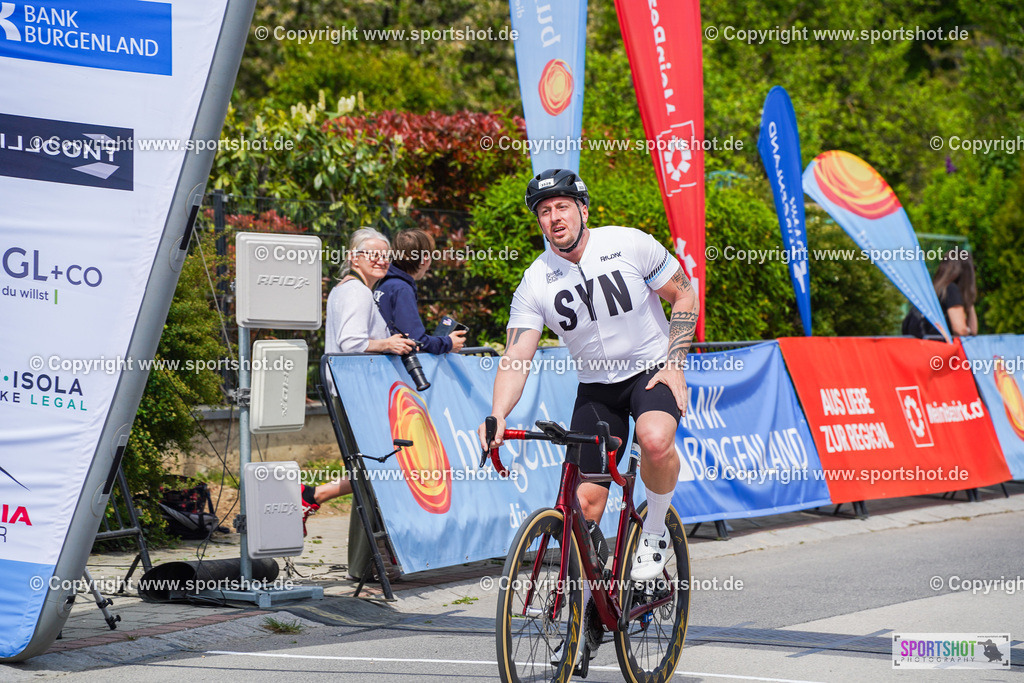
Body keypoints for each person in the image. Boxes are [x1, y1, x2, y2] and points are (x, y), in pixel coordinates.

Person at [476, 169, 698, 583]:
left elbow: (684, 292)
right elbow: (516, 354)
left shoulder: (629, 243)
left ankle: (653, 532)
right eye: (544, 211)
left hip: (650, 371)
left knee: (653, 440)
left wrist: (675, 362)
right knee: (584, 509)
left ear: (583, 209)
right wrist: (498, 414)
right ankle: (593, 607)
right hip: (596, 389)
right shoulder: (535, 280)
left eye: (562, 206)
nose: (554, 217)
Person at [303, 228, 417, 534]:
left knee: (376, 464)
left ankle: (315, 496)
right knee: (381, 465)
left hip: (347, 390)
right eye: (373, 254)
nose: (381, 261)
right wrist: (388, 344)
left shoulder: (345, 289)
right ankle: (314, 495)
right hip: (352, 393)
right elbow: (351, 341)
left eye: (386, 256)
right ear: (354, 257)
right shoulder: (357, 292)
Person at [376, 229, 467, 354]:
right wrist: (448, 343)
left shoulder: (384, 283)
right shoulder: (402, 289)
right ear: (425, 259)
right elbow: (415, 340)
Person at [903, 248, 978, 338]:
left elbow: (973, 330)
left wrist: (968, 299)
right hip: (937, 348)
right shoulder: (951, 290)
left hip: (921, 345)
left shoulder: (935, 290)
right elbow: (960, 330)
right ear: (967, 272)